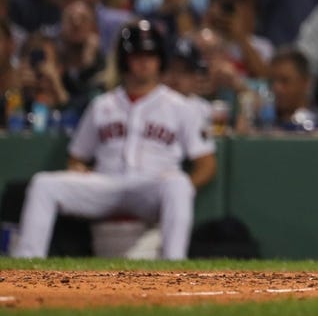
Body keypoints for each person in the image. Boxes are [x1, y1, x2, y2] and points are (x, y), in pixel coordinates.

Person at [13, 20, 217, 260]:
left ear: (160, 59)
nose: (144, 61)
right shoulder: (102, 105)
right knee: (44, 184)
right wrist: (78, 169)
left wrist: (177, 194)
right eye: (137, 55)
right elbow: (77, 156)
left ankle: (174, 266)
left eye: (150, 54)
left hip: (150, 188)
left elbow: (207, 164)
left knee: (178, 184)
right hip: (106, 185)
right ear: (124, 60)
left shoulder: (180, 107)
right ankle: (26, 265)